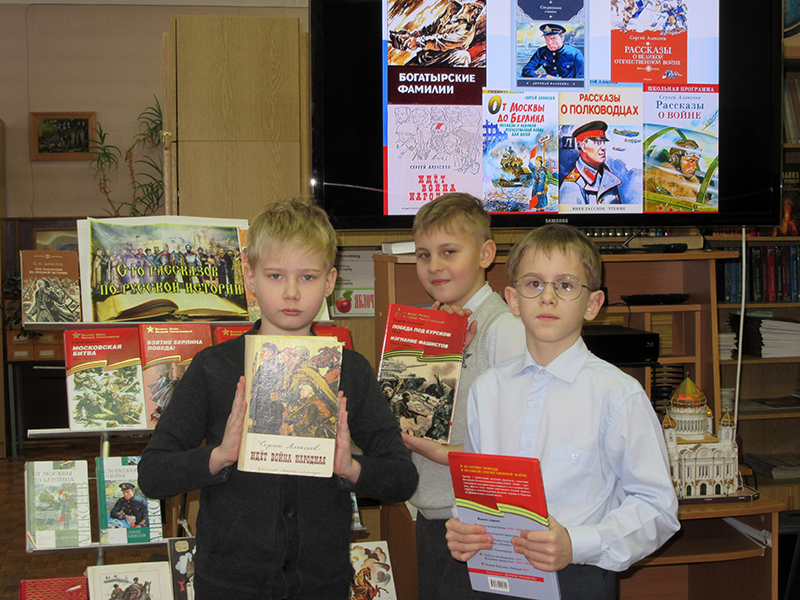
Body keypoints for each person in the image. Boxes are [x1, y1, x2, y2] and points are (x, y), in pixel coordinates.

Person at [137, 199, 418, 600]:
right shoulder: (214, 367)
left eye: (307, 277)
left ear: (330, 281)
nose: (291, 292)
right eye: (275, 276)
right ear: (250, 277)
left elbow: (402, 477)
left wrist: (350, 468)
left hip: (321, 585)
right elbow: (152, 474)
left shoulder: (349, 369)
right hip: (229, 585)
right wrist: (219, 456)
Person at [444, 225, 680, 600]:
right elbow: (476, 491)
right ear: (513, 300)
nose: (548, 297)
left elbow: (658, 509)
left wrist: (576, 543)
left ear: (593, 304)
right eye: (534, 284)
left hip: (579, 578)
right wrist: (462, 527)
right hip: (498, 577)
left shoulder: (617, 395)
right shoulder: (487, 390)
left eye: (566, 285)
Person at [403, 192, 526, 600]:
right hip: (434, 514)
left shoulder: (504, 327)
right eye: (423, 255)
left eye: (449, 252)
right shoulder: (429, 325)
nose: (434, 266)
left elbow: (517, 440)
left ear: (486, 254)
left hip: (483, 523)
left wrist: (445, 455)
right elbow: (415, 421)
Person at [389, 0, 485, 67]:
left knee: (462, 56)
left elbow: (441, 42)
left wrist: (416, 41)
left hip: (446, 60)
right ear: (465, 5)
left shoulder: (467, 29)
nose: (476, 12)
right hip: (428, 57)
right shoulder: (451, 11)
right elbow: (430, 29)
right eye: (474, 7)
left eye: (479, 10)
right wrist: (410, 36)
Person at [560, 120, 623, 205]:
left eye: (603, 142)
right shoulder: (572, 186)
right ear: (584, 147)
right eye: (597, 142)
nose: (603, 147)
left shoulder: (608, 177)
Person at [645, 138, 703, 202]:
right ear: (675, 160)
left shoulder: (696, 189)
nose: (695, 167)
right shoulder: (651, 184)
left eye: (696, 162)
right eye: (690, 161)